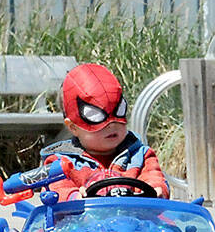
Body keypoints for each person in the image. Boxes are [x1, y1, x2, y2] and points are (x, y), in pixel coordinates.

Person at [41, 62, 170, 200]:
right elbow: (55, 187)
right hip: (82, 218)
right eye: (97, 118)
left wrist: (156, 189)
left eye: (118, 114)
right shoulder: (61, 163)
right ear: (73, 128)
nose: (111, 125)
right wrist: (73, 196)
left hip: (133, 217)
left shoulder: (140, 156)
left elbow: (153, 176)